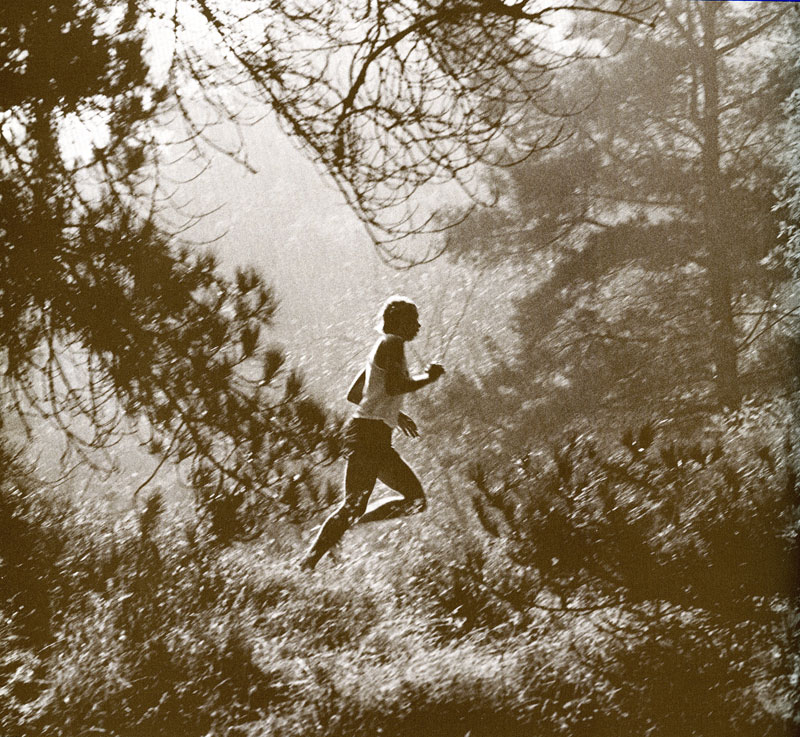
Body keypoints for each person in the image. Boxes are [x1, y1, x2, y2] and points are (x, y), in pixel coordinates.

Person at [300, 297, 444, 569]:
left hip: (374, 436)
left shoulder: (384, 346)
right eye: (413, 320)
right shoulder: (392, 344)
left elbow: (356, 394)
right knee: (358, 505)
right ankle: (308, 562)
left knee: (413, 501)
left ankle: (345, 528)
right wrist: (429, 378)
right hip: (367, 435)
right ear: (399, 322)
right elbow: (394, 386)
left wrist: (394, 414)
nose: (418, 326)